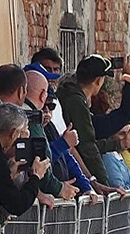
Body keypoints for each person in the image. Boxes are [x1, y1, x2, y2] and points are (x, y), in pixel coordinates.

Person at [58, 55, 130, 186]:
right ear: (98, 81)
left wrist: (119, 144)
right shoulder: (75, 101)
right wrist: (101, 182)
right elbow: (87, 145)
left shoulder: (70, 97)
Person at [21, 71, 91, 204]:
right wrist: (59, 188)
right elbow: (38, 163)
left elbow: (67, 158)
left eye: (51, 106)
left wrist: (87, 186)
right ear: (42, 95)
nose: (46, 110)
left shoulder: (47, 126)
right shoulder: (30, 122)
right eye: (45, 104)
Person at [0, 103, 50, 216]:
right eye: (20, 135)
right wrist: (35, 176)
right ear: (13, 133)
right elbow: (17, 205)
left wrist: (10, 175)